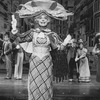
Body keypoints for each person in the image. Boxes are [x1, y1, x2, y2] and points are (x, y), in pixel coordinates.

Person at [11, 0, 73, 100]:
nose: (43, 20)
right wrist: (14, 29)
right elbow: (20, 38)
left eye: (45, 18)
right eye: (40, 18)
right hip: (35, 62)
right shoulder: (32, 33)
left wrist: (65, 42)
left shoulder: (52, 35)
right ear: (37, 20)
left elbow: (59, 48)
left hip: (46, 62)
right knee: (34, 83)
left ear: (48, 20)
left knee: (46, 84)